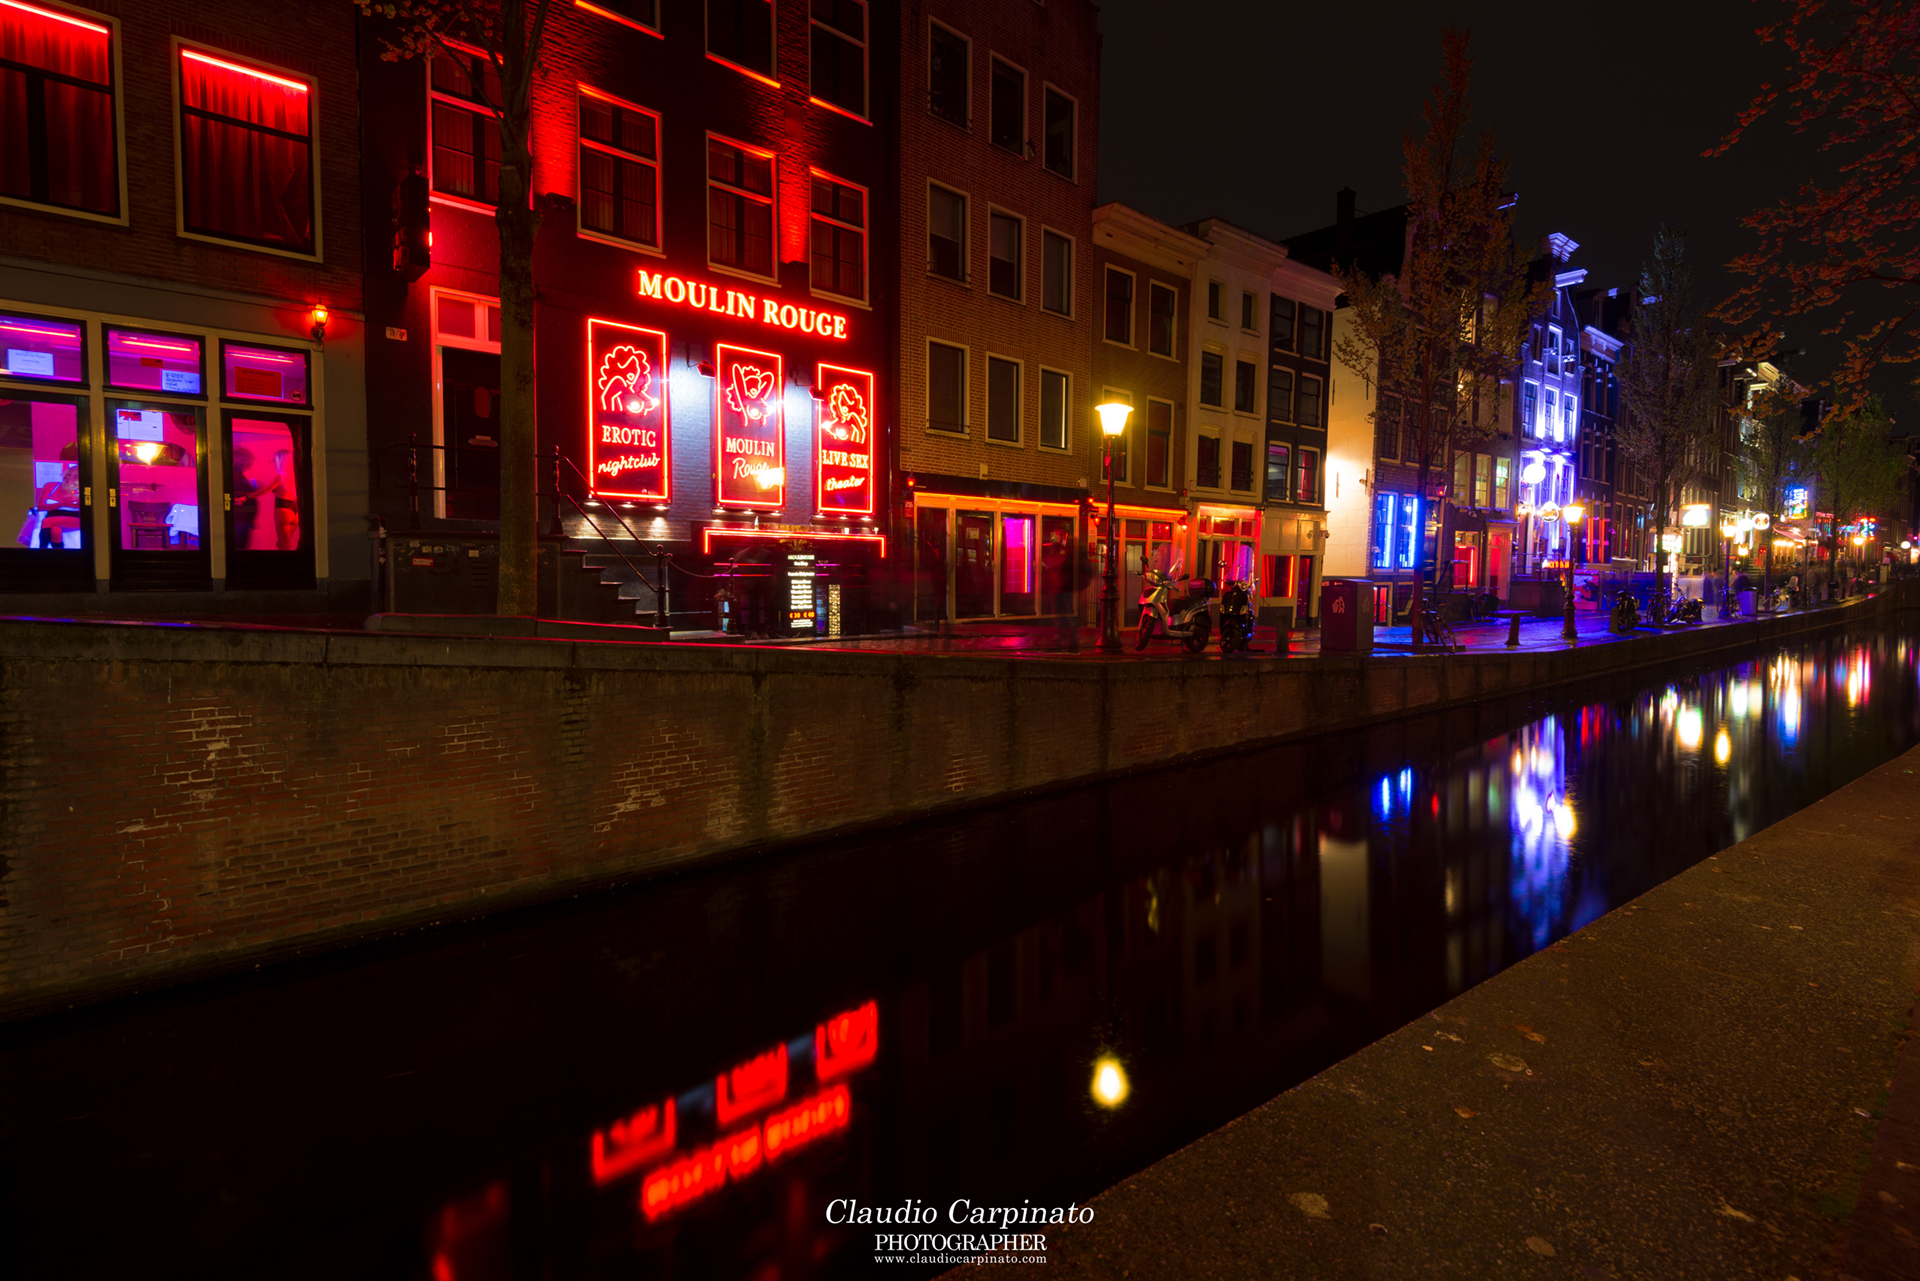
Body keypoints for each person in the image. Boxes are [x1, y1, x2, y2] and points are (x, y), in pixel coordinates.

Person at [1042, 528, 1078, 650]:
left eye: (1059, 534)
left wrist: (1048, 565)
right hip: (1056, 585)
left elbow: (1058, 563)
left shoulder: (1065, 550)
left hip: (1061, 586)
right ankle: (1064, 634)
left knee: (1063, 611)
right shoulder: (1055, 549)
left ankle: (1068, 635)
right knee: (1057, 611)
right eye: (1056, 534)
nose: (1056, 537)